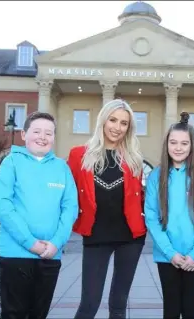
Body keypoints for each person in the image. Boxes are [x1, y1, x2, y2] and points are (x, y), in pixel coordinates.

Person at [0, 111, 78, 319]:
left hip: (50, 255)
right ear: (24, 134)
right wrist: (30, 243)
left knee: (39, 314)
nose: (43, 137)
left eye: (49, 133)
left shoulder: (62, 168)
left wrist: (56, 243)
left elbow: (70, 208)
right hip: (14, 255)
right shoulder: (11, 162)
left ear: (54, 138)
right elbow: (1, 205)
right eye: (37, 131)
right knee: (13, 314)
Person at [67, 99, 146, 319]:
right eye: (113, 120)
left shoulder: (133, 159)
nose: (117, 127)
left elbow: (138, 198)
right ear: (103, 120)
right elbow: (67, 197)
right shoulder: (78, 156)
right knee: (89, 304)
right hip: (96, 236)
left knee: (119, 305)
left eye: (124, 123)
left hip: (130, 238)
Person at [144, 112, 194, 319]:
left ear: (192, 146)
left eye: (184, 143)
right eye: (173, 142)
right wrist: (170, 252)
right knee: (171, 309)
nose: (178, 148)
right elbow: (151, 216)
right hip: (168, 255)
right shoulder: (157, 176)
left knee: (191, 308)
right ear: (166, 144)